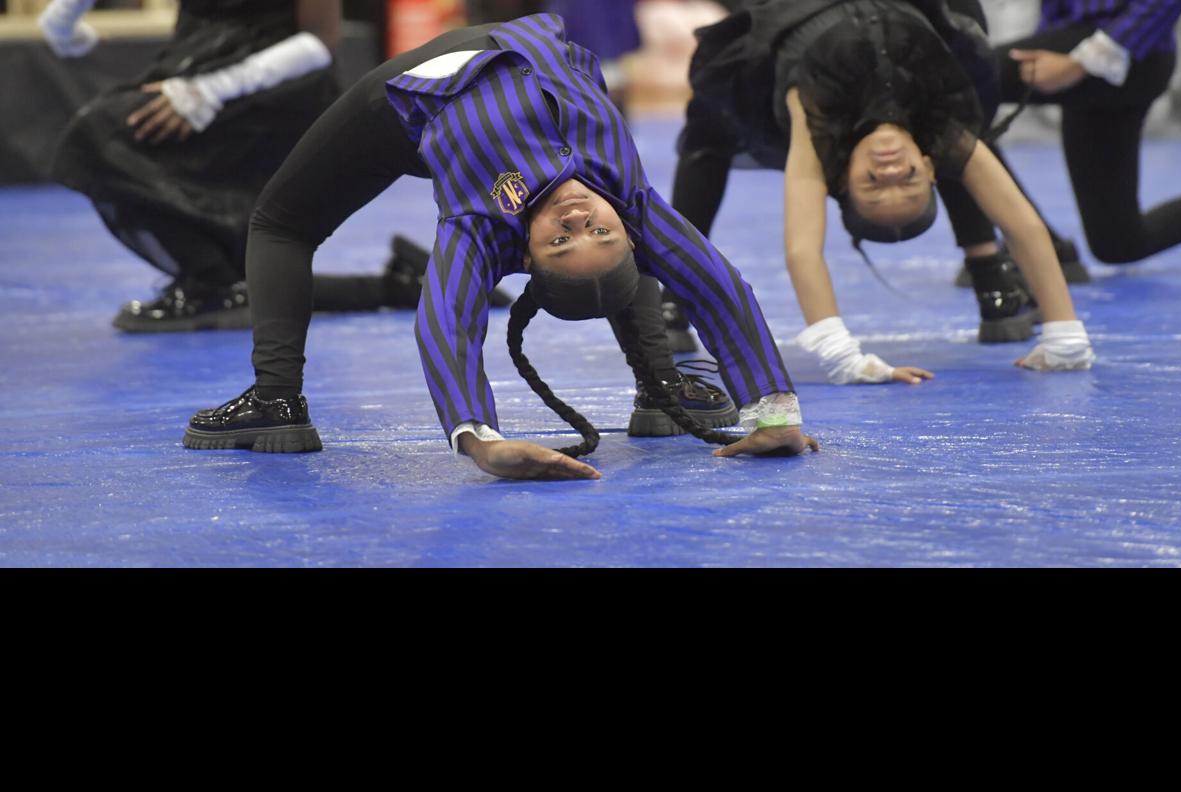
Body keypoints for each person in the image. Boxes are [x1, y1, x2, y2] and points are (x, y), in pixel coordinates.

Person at [181, 13, 818, 479]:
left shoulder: (478, 225)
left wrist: (479, 439)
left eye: (560, 241)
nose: (577, 217)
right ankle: (659, 384)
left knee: (281, 222)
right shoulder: (633, 205)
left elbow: (447, 324)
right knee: (613, 266)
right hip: (516, 43)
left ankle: (275, 399)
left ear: (523, 255)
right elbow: (719, 289)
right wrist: (772, 412)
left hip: (418, 93)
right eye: (595, 228)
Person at [668, 0, 1095, 383]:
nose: (889, 169)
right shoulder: (942, 133)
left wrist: (842, 356)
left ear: (841, 181)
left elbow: (802, 250)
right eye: (907, 178)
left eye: (872, 183)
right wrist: (1065, 335)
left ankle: (670, 297)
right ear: (927, 168)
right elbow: (1024, 226)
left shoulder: (818, 130)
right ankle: (989, 274)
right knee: (972, 94)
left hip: (795, 10)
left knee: (707, 135)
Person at [41, 0, 455, 332]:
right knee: (245, 264)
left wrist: (210, 91)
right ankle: (393, 287)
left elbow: (319, 41)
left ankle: (210, 284)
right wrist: (63, 21)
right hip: (190, 68)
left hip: (276, 92)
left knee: (97, 138)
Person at [987, 0, 1181, 267]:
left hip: (1127, 47)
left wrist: (1081, 62)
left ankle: (1020, 253)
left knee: (955, 88)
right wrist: (1049, 41)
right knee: (1118, 244)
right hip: (1094, 45)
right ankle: (1041, 249)